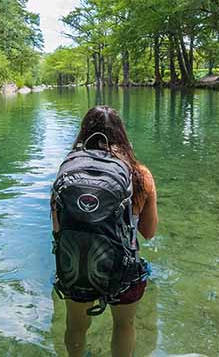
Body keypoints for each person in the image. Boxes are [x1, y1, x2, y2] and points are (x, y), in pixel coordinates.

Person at [51, 106, 159, 357]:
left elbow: (57, 229)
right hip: (124, 271)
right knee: (124, 326)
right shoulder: (139, 174)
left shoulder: (67, 172)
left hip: (76, 268)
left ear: (83, 133)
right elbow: (149, 232)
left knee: (75, 327)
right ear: (122, 133)